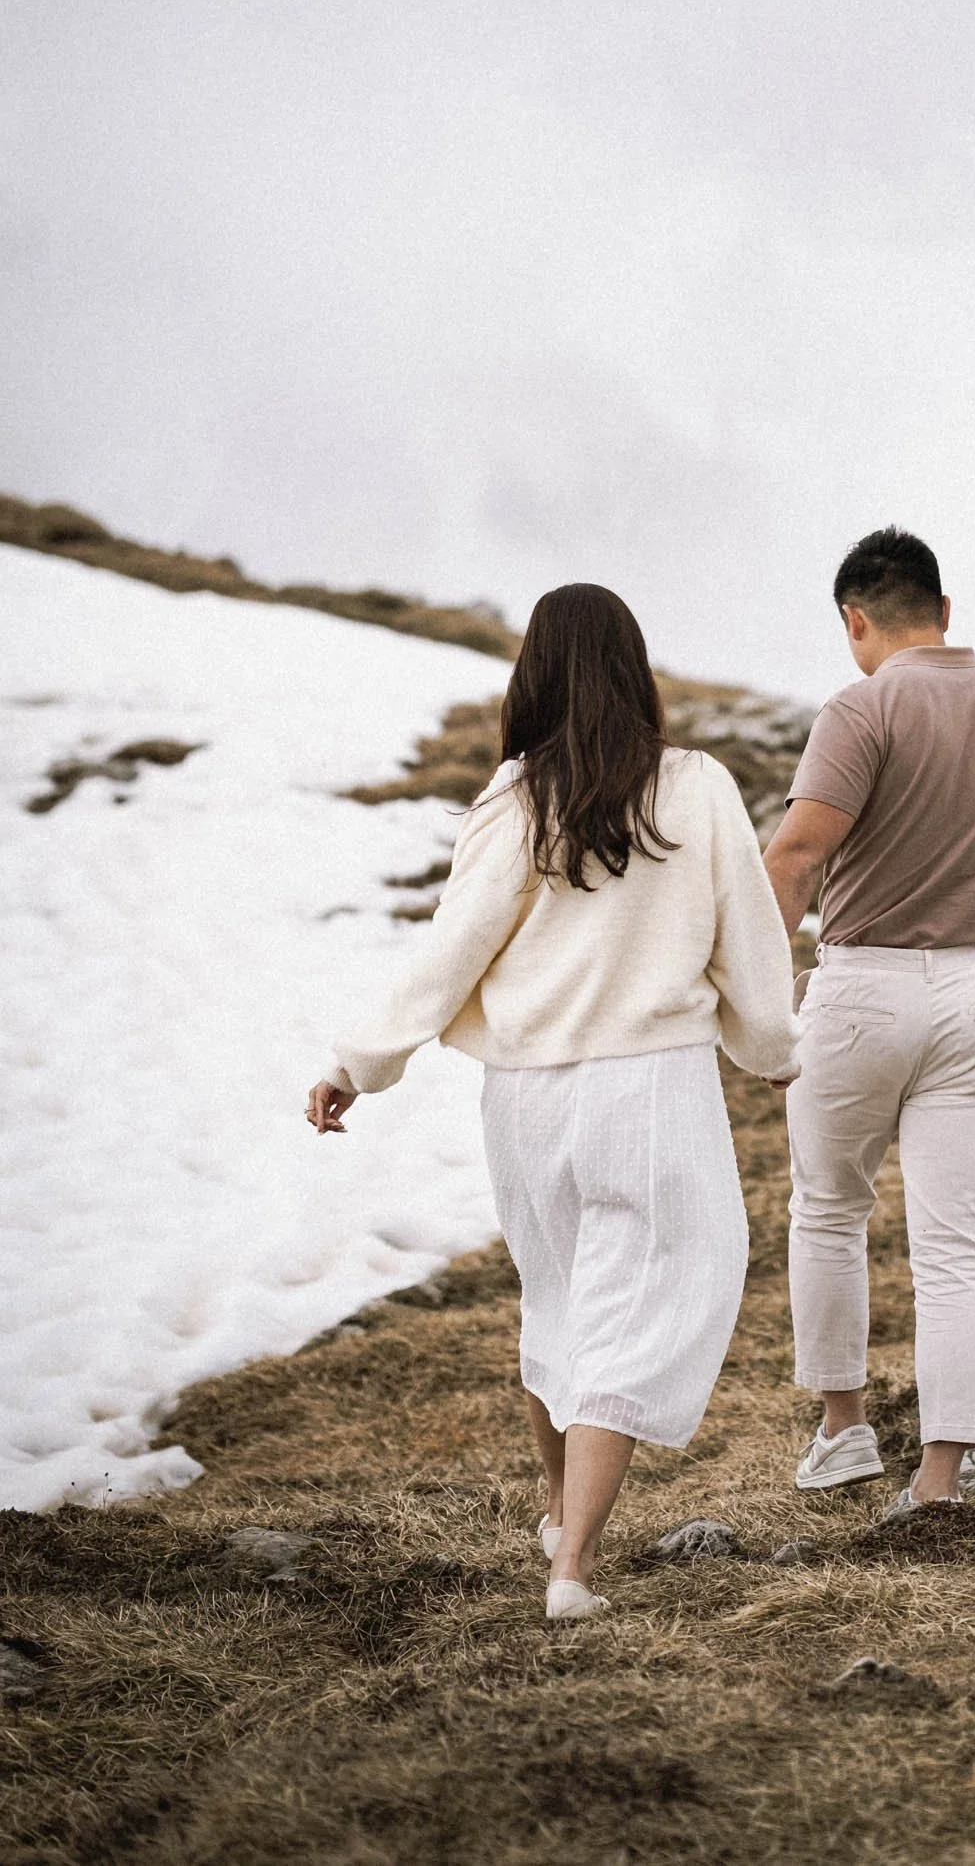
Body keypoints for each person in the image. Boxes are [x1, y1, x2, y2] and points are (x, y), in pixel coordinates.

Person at [306, 583, 797, 1624]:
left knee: (559, 1298)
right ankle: (570, 1562)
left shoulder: (514, 796)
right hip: (652, 1084)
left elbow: (453, 947)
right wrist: (771, 1046)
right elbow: (747, 932)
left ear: (533, 673)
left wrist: (360, 1061)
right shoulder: (696, 786)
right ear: (634, 668)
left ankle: (553, 1507)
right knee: (642, 1300)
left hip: (526, 1095)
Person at [763, 528, 975, 1511]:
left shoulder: (860, 707)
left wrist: (764, 998)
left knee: (828, 1208)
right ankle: (938, 1482)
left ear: (857, 620)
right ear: (943, 611)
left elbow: (795, 854)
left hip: (861, 985)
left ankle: (844, 1430)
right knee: (952, 1246)